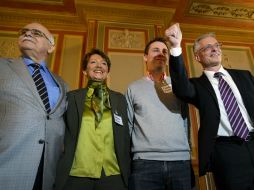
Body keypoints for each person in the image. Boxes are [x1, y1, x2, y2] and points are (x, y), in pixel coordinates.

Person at [166, 23, 254, 190]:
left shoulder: (245, 76)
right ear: (198, 57)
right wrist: (176, 47)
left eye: (216, 45)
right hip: (227, 153)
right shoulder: (197, 85)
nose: (214, 49)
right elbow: (181, 88)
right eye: (207, 47)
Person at [0, 22, 67, 190]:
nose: (28, 34)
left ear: (51, 47)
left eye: (36, 33)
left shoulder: (62, 84)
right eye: (24, 32)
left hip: (47, 172)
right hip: (7, 165)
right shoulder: (2, 66)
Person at [54, 48, 130, 190]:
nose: (99, 65)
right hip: (77, 173)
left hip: (113, 173)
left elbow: (127, 135)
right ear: (84, 71)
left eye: (103, 63)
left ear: (108, 71)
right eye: (93, 62)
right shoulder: (71, 98)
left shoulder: (120, 99)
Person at [126, 37, 193, 190]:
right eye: (155, 50)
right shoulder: (133, 88)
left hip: (180, 162)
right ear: (145, 57)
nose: (161, 54)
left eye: (164, 51)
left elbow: (186, 122)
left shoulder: (179, 86)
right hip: (144, 164)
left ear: (169, 59)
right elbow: (129, 126)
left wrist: (187, 153)